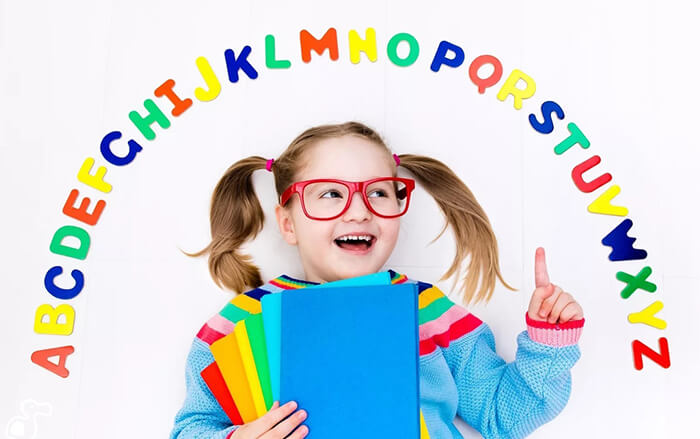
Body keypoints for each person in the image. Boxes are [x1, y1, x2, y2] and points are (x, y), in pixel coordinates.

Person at [169, 121, 585, 439]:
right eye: (331, 193)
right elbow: (191, 428)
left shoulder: (428, 310)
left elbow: (503, 413)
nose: (358, 211)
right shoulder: (239, 322)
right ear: (288, 223)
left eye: (379, 193)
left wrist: (548, 346)